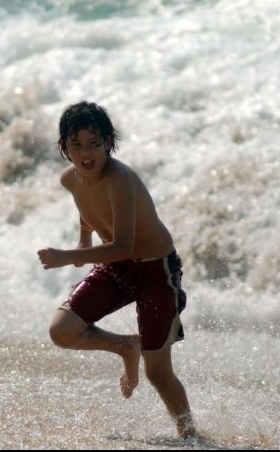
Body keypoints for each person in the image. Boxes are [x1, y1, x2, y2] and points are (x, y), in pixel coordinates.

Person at [37, 101, 198, 439]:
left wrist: (66, 256)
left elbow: (123, 245)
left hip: (156, 271)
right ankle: (126, 346)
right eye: (76, 144)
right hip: (115, 269)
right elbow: (86, 203)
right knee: (61, 330)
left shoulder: (119, 179)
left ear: (108, 142)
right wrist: (84, 240)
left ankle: (190, 436)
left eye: (94, 143)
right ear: (63, 145)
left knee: (157, 372)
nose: (85, 153)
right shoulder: (71, 179)